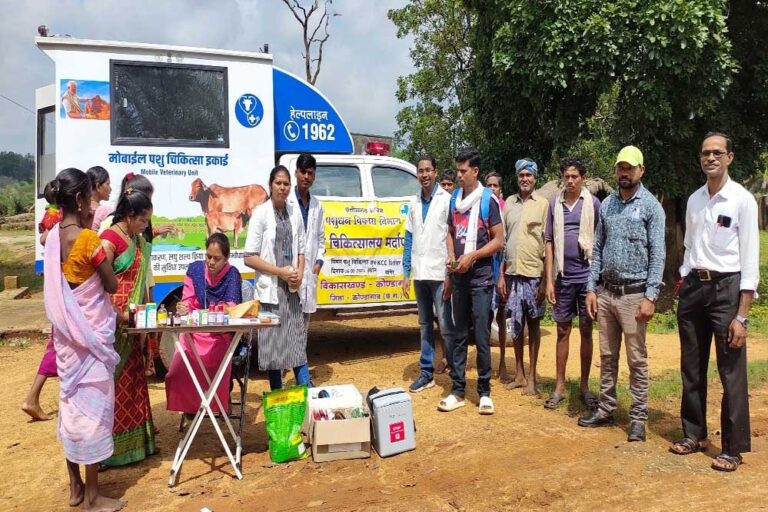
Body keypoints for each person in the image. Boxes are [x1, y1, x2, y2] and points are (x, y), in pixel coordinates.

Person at [670, 132, 759, 472]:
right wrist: (684, 276)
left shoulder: (742, 201)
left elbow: (750, 258)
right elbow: (690, 245)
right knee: (691, 366)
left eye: (717, 153)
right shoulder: (695, 200)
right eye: (705, 153)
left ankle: (733, 448)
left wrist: (743, 315)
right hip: (694, 288)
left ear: (730, 157)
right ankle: (694, 433)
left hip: (727, 290)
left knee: (730, 370)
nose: (710, 158)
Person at [42, 168, 125, 511]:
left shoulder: (51, 238)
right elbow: (110, 285)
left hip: (65, 336)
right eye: (91, 195)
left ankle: (75, 488)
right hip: (90, 336)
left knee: (71, 409)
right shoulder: (89, 240)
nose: (94, 202)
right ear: (79, 199)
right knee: (93, 415)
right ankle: (92, 497)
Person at [578, 146, 665, 444]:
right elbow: (598, 249)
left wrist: (650, 296)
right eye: (620, 168)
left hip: (634, 295)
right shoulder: (609, 205)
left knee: (637, 360)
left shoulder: (651, 207)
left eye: (630, 168)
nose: (624, 173)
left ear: (641, 170)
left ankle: (638, 418)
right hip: (607, 293)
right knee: (607, 355)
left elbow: (658, 255)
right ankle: (606, 408)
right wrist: (592, 288)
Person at [439, 149, 503, 415]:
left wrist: (473, 256)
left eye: (464, 171)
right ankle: (457, 390)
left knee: (481, 335)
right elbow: (451, 232)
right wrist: (454, 257)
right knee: (458, 335)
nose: (459, 175)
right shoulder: (455, 199)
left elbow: (499, 240)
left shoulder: (489, 201)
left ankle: (485, 392)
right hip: (460, 278)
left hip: (482, 278)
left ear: (475, 172)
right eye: (458, 170)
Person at [99, 188, 157, 466]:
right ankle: (108, 452)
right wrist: (118, 314)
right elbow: (97, 284)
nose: (146, 227)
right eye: (143, 221)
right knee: (113, 385)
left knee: (133, 381)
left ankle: (136, 446)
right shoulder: (109, 240)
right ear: (129, 216)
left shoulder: (133, 238)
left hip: (133, 323)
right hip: (113, 323)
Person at [543, 157, 601, 409]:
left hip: (587, 279)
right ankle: (559, 386)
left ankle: (586, 386)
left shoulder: (594, 204)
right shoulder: (554, 204)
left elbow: (599, 243)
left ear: (583, 178)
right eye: (566, 176)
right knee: (562, 331)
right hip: (563, 278)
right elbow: (548, 242)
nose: (570, 181)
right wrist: (549, 281)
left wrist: (596, 282)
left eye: (575, 176)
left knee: (587, 331)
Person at [244, 166, 307, 390]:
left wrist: (298, 275)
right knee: (274, 350)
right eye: (278, 183)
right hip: (270, 291)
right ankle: (278, 400)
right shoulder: (260, 214)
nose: (282, 187)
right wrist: (280, 271)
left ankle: (306, 401)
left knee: (297, 345)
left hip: (291, 290)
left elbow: (302, 249)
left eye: (286, 184)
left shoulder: (294, 211)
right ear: (271, 184)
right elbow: (249, 257)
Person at [166, 233, 242, 415]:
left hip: (219, 337)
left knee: (212, 362)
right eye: (208, 256)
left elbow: (231, 307)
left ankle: (213, 405)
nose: (211, 262)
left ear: (226, 258)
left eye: (217, 258)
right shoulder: (195, 271)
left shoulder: (232, 275)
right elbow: (188, 300)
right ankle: (190, 407)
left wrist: (206, 312)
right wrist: (184, 307)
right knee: (177, 370)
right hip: (193, 334)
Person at [402, 154, 455, 393]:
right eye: (420, 171)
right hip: (420, 273)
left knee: (445, 324)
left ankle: (456, 368)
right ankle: (426, 372)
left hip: (439, 271)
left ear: (435, 172)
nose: (424, 175)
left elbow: (452, 236)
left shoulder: (447, 200)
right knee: (424, 324)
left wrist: (450, 273)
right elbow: (409, 238)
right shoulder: (413, 202)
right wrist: (405, 271)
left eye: (428, 170)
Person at [499, 159, 548, 396]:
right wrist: (500, 275)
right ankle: (518, 374)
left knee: (534, 325)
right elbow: (503, 241)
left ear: (535, 178)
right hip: (512, 274)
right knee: (515, 325)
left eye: (529, 175)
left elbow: (549, 244)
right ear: (517, 177)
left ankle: (532, 378)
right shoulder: (509, 203)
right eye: (521, 175)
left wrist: (547, 281)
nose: (525, 179)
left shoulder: (544, 205)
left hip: (534, 275)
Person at [21, 205, 65, 421]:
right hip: (67, 287)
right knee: (58, 345)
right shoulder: (61, 214)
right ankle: (32, 397)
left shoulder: (59, 213)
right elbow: (45, 239)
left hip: (63, 285)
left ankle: (33, 397)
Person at [287, 153, 325, 328]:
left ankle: (301, 356)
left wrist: (318, 261)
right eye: (303, 172)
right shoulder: (287, 202)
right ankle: (290, 357)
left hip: (309, 270)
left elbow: (321, 238)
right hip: (289, 270)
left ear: (314, 176)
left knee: (303, 324)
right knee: (287, 322)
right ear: (296, 173)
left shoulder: (317, 205)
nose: (306, 177)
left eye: (310, 173)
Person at [87, 166, 112, 231]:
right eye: (108, 184)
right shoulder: (106, 210)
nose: (110, 189)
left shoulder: (80, 208)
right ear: (98, 186)